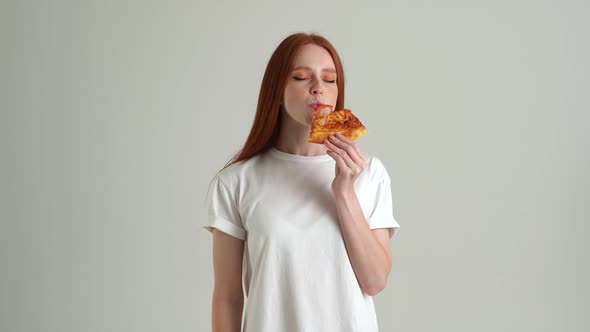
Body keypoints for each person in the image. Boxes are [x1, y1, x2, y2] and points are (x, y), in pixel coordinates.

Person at [203, 32, 401, 332]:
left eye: (329, 79)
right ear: (276, 90)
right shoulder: (236, 182)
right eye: (300, 77)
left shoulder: (369, 173)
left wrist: (344, 191)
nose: (318, 88)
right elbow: (228, 298)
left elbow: (375, 281)